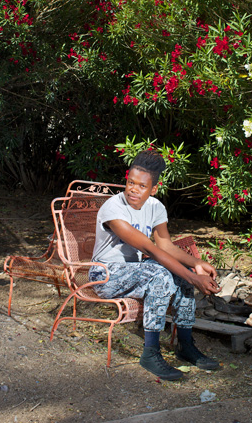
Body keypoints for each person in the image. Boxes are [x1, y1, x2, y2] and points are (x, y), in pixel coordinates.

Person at [89, 150, 221, 380]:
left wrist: (197, 265)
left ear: (153, 189)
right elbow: (150, 249)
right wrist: (194, 279)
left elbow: (166, 245)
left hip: (135, 273)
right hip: (106, 275)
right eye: (130, 182)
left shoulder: (155, 207)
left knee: (182, 273)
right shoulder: (114, 208)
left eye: (141, 186)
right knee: (160, 273)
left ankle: (185, 345)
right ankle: (150, 353)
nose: (133, 189)